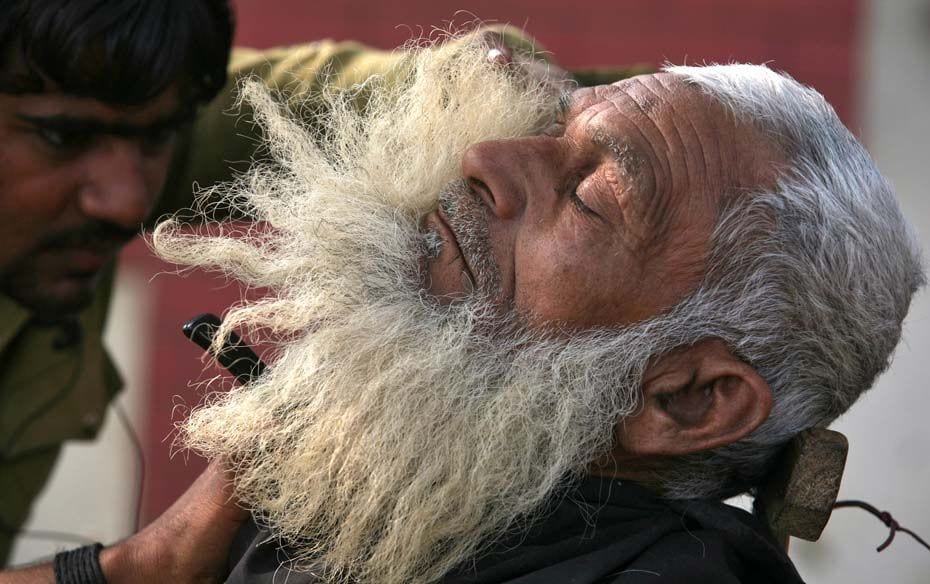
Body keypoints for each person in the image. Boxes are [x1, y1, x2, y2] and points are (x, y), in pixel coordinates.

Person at [147, 38, 920, 583]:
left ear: (686, 399)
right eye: (553, 129)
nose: (488, 158)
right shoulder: (399, 485)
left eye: (591, 195)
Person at [0, 0, 598, 564]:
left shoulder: (106, 109)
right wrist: (149, 563)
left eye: (159, 137)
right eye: (63, 138)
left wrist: (486, 86)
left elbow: (350, 95)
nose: (127, 200)